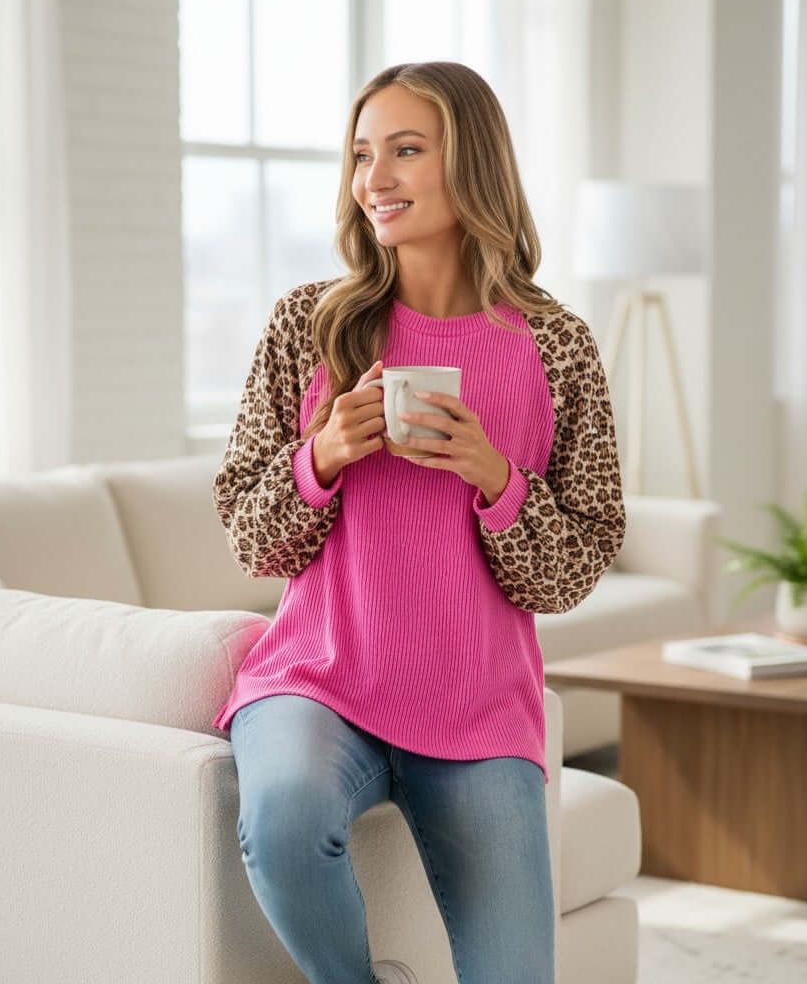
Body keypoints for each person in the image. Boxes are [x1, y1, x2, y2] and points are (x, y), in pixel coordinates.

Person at [211, 61, 626, 984]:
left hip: (478, 708)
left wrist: (496, 479)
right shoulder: (303, 326)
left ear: (471, 163)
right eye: (362, 155)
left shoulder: (556, 346)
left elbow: (578, 565)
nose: (375, 180)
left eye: (405, 151)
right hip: (318, 682)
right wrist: (321, 458)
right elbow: (247, 529)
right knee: (280, 821)